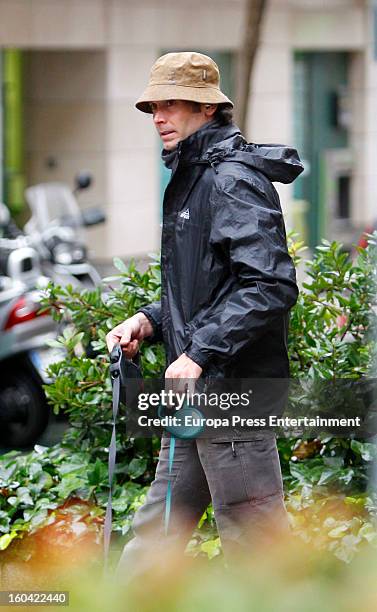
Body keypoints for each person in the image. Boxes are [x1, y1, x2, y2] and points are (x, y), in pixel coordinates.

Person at [106, 51, 304, 574]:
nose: (159, 117)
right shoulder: (193, 178)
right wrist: (149, 321)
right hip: (197, 395)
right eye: (153, 107)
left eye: (171, 104)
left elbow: (270, 284)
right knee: (159, 527)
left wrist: (199, 350)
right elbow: (205, 288)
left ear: (207, 109)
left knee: (257, 542)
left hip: (233, 393)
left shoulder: (230, 180)